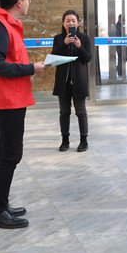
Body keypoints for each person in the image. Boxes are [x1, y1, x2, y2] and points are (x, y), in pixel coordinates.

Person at [0, 0, 45, 229]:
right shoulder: (1, 27)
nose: (29, 3)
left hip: (7, 98)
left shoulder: (7, 24)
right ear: (19, 2)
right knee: (10, 155)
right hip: (7, 101)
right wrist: (31, 68)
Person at [51, 10, 92, 152]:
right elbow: (53, 58)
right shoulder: (58, 39)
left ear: (78, 23)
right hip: (63, 81)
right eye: (68, 21)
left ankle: (84, 140)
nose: (71, 23)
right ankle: (65, 140)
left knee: (81, 111)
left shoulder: (84, 38)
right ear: (63, 23)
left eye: (73, 21)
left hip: (79, 80)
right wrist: (64, 44)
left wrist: (79, 46)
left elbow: (88, 58)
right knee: (64, 112)